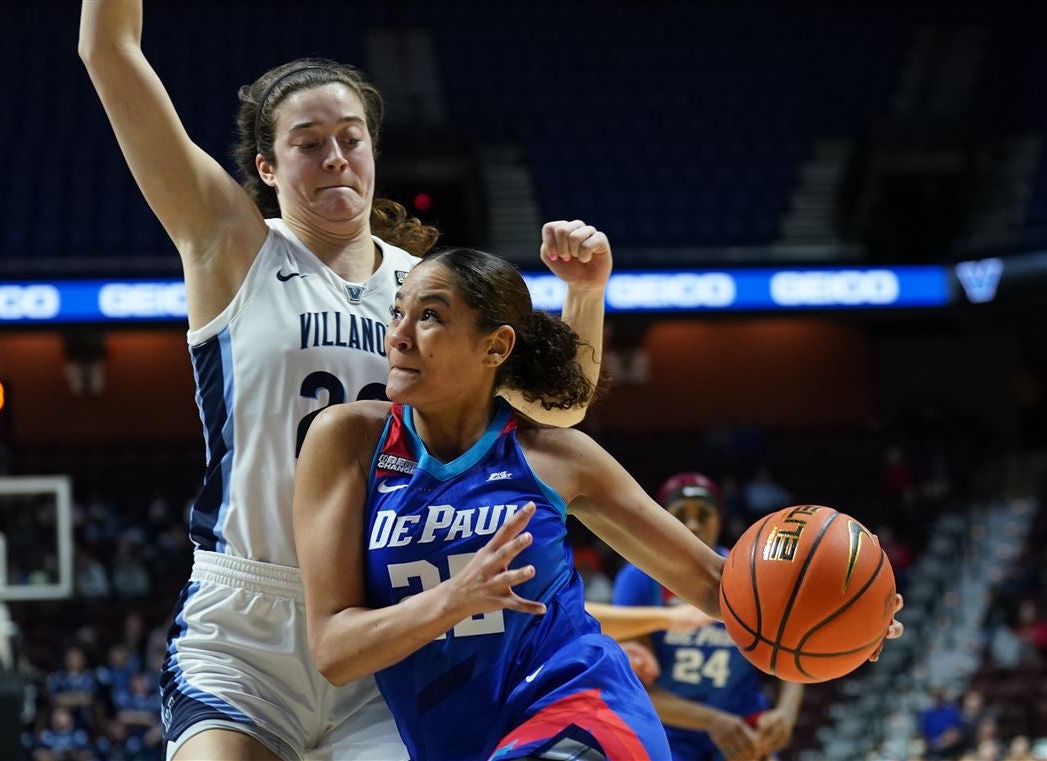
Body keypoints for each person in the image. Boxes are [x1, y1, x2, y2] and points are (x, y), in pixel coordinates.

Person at [79, 5, 610, 759]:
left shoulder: (433, 288)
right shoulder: (231, 245)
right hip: (246, 627)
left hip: (386, 624)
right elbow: (106, 49)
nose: (335, 157)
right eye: (308, 144)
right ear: (267, 167)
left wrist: (585, 292)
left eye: (349, 139)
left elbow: (558, 404)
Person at [294, 249, 902, 760]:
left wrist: (849, 616)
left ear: (495, 347)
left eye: (429, 317)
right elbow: (335, 651)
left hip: (582, 709)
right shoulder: (348, 439)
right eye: (399, 311)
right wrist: (452, 600)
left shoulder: (557, 457)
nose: (397, 333)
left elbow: (721, 585)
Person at [612, 472, 804, 761]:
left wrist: (785, 715)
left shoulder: (750, 573)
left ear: (719, 520)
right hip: (669, 729)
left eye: (704, 514)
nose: (692, 525)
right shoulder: (638, 579)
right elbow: (637, 686)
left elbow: (793, 649)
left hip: (743, 725)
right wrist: (711, 720)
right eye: (680, 515)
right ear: (662, 521)